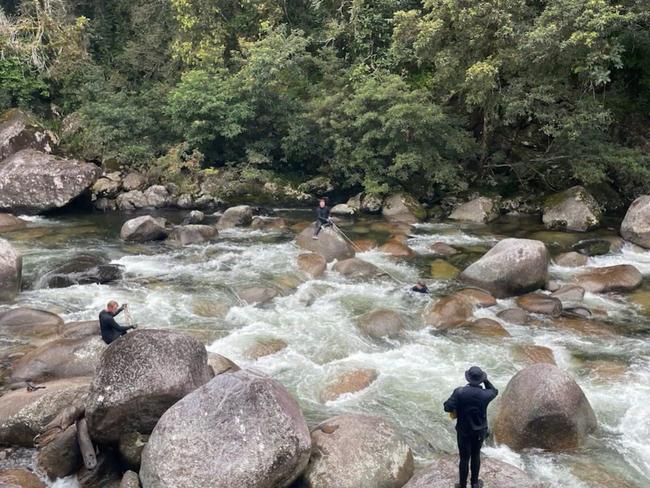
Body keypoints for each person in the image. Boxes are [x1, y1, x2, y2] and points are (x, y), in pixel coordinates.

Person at [443, 366, 498, 488]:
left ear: (468, 378)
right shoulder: (486, 394)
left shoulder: (460, 392)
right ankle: (474, 483)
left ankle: (462, 485)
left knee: (464, 458)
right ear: (480, 379)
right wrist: (486, 380)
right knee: (476, 455)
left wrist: (455, 408)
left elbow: (447, 407)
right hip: (480, 431)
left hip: (464, 430)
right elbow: (495, 391)